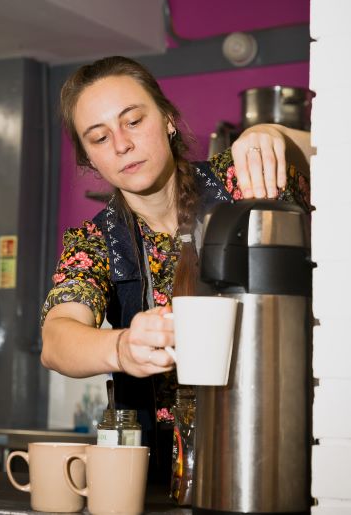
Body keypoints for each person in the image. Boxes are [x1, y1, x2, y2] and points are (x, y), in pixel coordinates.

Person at [40, 55, 311, 479]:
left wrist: (275, 135)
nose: (121, 145)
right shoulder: (95, 241)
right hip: (162, 474)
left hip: (273, 446)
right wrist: (121, 347)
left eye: (133, 121)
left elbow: (335, 153)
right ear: (90, 159)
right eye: (99, 137)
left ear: (167, 119)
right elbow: (56, 341)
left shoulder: (241, 181)